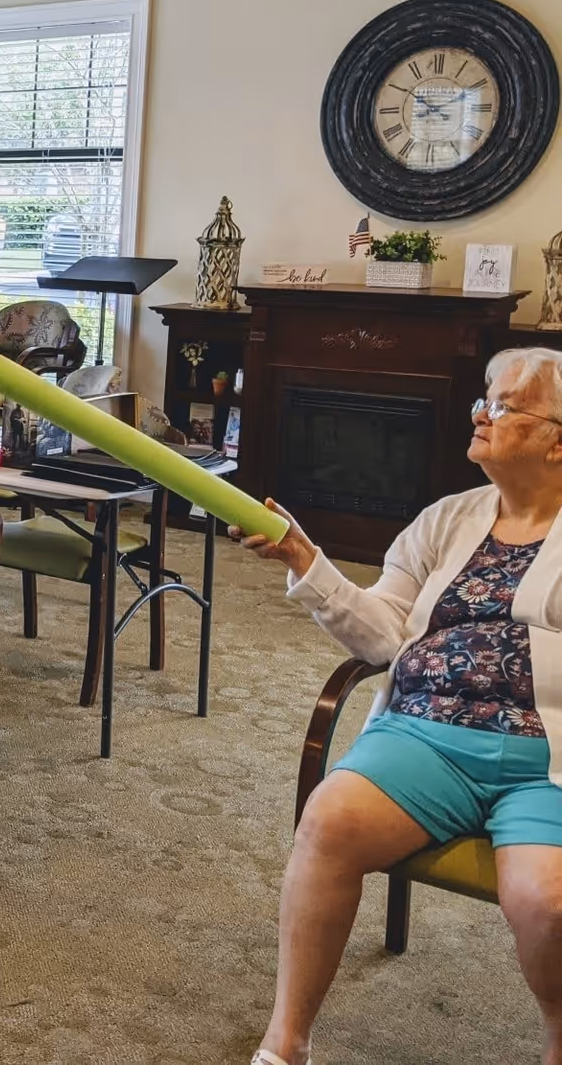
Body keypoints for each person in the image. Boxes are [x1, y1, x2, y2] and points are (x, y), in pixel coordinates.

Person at [237, 347, 562, 1065]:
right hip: (426, 734)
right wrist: (303, 556)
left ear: (558, 439)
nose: (482, 411)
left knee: (547, 903)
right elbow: (383, 632)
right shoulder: (446, 519)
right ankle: (284, 1043)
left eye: (506, 405)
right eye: (485, 397)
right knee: (329, 819)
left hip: (548, 759)